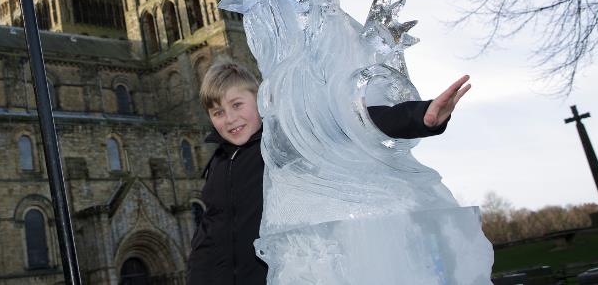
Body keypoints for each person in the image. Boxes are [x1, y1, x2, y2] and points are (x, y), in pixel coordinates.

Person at [185, 58, 470, 285]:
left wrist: (421, 116)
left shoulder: (282, 141)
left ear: (258, 101)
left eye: (237, 105)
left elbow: (347, 125)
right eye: (217, 112)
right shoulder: (217, 164)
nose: (230, 118)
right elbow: (207, 237)